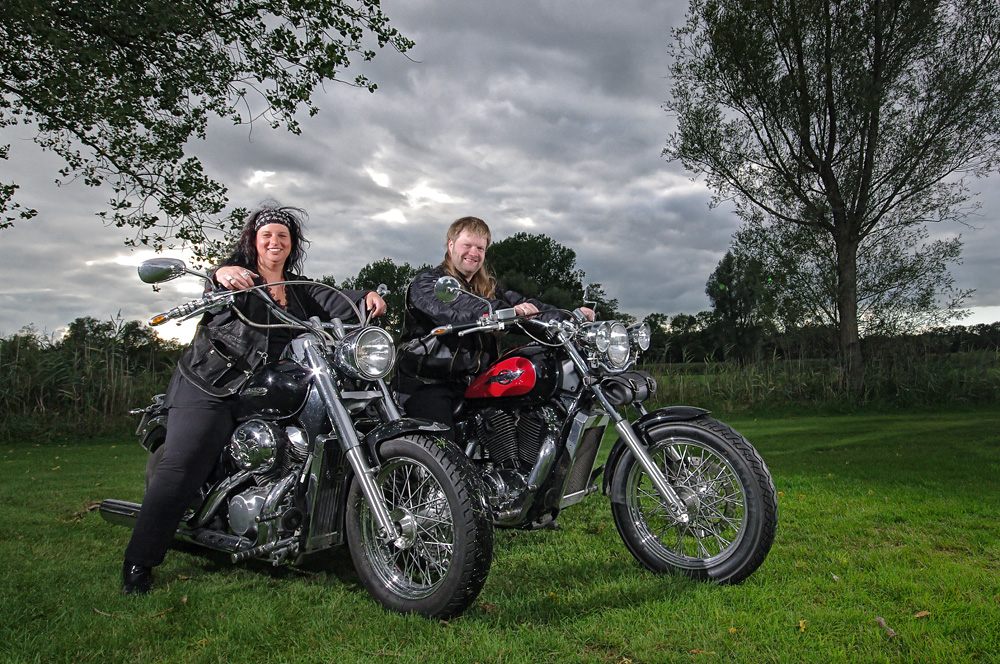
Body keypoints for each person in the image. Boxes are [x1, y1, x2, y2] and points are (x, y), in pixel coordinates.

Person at [120, 204, 386, 595]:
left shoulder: (297, 290)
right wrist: (218, 273)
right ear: (254, 243)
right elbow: (216, 283)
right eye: (267, 236)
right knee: (181, 466)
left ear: (291, 244)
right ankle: (139, 561)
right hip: (213, 383)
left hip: (265, 386)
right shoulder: (238, 277)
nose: (275, 241)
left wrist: (367, 296)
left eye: (283, 236)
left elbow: (336, 300)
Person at [394, 216, 594, 440]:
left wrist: (568, 318)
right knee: (445, 453)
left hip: (475, 384)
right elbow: (455, 309)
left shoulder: (488, 288)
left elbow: (525, 305)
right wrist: (504, 312)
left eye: (480, 247)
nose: (474, 252)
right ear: (451, 245)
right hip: (427, 383)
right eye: (467, 245)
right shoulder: (430, 283)